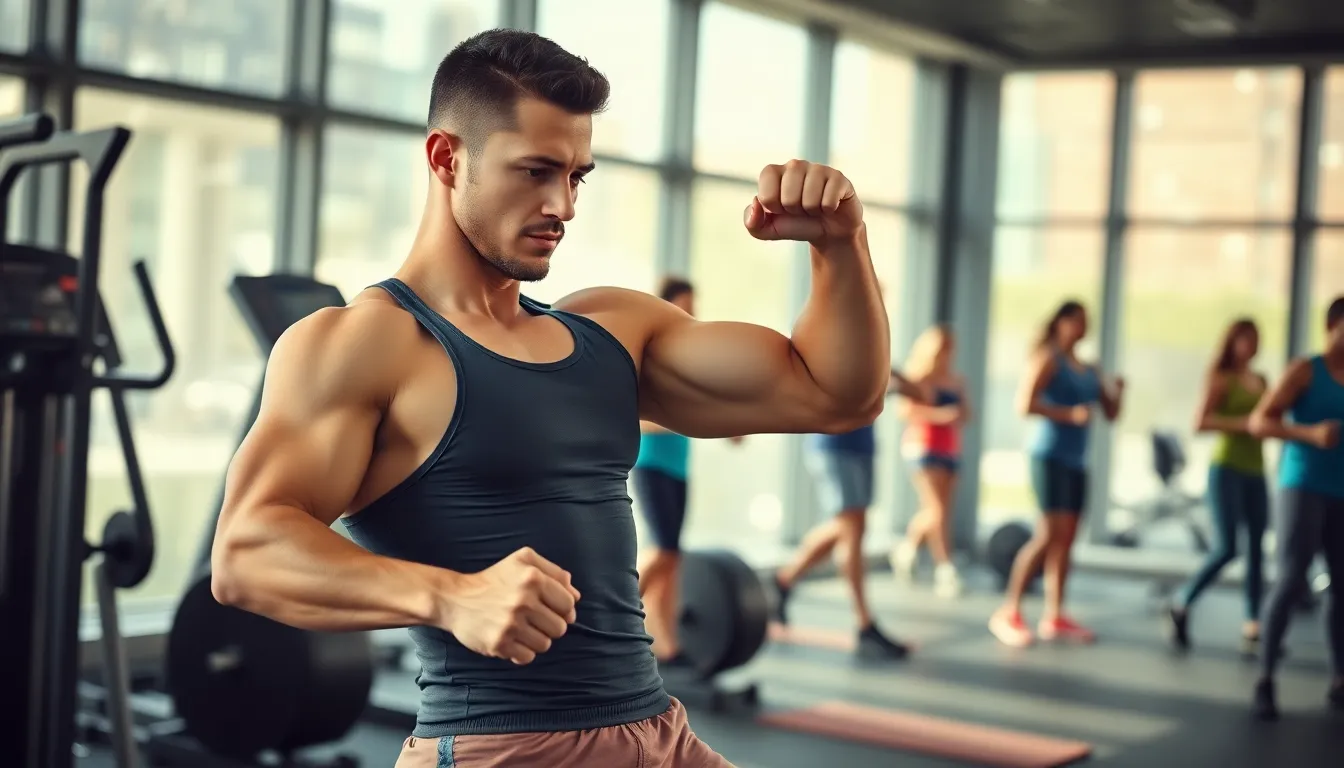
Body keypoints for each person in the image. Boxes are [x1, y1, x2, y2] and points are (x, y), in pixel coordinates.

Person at [208, 29, 891, 768]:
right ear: (446, 158)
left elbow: (836, 395)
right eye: (535, 171)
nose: (561, 204)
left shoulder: (611, 332)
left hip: (660, 735)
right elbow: (247, 553)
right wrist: (449, 596)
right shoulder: (367, 344)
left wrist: (840, 247)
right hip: (498, 747)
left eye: (576, 176)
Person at [989, 300, 1124, 648]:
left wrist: (1118, 392)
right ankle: (1009, 611)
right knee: (1048, 536)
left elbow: (1110, 414)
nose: (1081, 327)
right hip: (1048, 456)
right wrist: (1068, 415)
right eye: (1075, 321)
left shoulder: (1090, 368)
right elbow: (1024, 404)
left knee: (1067, 541)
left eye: (1085, 321)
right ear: (1060, 323)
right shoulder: (1049, 359)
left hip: (1077, 461)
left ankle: (1055, 615)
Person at [771, 369, 927, 659]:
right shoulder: (836, 348)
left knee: (846, 527)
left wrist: (896, 379)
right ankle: (865, 623)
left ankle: (784, 579)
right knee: (852, 530)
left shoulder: (872, 354)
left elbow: (912, 391)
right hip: (834, 445)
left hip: (862, 445)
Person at [631, 276, 742, 668]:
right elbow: (638, 418)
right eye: (685, 304)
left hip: (678, 468)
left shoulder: (685, 357)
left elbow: (703, 405)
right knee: (662, 551)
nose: (691, 313)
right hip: (651, 464)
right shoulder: (649, 354)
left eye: (694, 304)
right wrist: (688, 420)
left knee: (674, 557)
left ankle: (668, 646)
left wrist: (729, 426)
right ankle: (608, 623)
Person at [1247, 297, 1344, 722]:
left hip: (1342, 492)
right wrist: (1308, 433)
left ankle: (1341, 679)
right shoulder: (1306, 369)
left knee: (1343, 587)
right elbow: (1259, 421)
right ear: (1333, 326)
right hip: (1302, 486)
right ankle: (1265, 678)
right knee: (1291, 580)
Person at [1165, 318, 1268, 655]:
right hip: (1227, 469)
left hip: (1257, 471)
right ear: (1233, 342)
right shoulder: (1221, 379)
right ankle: (1183, 600)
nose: (1249, 346)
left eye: (1254, 340)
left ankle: (1252, 623)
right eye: (1244, 339)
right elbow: (1200, 422)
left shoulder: (1262, 381)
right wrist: (1242, 424)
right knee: (1227, 548)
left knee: (1256, 550)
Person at [891, 324, 968, 598]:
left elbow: (966, 413)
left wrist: (956, 415)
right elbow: (906, 412)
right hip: (922, 447)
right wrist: (940, 416)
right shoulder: (919, 378)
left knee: (937, 511)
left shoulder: (956, 380)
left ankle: (908, 548)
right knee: (937, 511)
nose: (945, 356)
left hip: (949, 449)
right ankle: (946, 569)